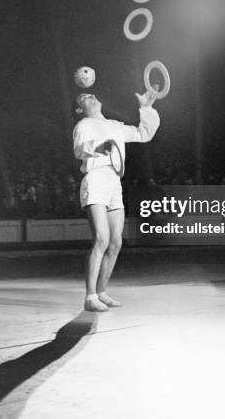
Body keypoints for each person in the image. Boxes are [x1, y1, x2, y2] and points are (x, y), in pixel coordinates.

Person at [73, 89, 160, 312]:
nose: (90, 97)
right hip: (95, 178)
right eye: (84, 99)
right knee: (101, 239)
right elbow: (79, 150)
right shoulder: (83, 125)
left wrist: (147, 108)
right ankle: (90, 296)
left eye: (92, 95)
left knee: (116, 242)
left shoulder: (114, 126)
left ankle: (101, 292)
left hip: (114, 181)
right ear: (79, 110)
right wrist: (102, 148)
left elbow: (144, 134)